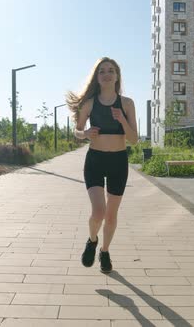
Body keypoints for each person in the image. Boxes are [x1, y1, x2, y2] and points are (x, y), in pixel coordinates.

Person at [66, 57, 138, 273]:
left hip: (118, 161)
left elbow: (134, 139)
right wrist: (85, 133)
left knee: (112, 215)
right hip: (95, 160)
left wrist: (122, 120)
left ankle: (104, 250)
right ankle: (92, 240)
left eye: (111, 70)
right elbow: (77, 131)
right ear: (97, 78)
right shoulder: (89, 103)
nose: (107, 74)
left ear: (117, 76)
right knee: (99, 212)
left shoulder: (127, 103)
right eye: (102, 71)